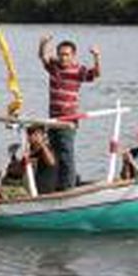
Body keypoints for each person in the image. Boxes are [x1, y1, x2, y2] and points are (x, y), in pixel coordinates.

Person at [38, 35, 101, 190]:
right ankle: (56, 185)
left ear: (73, 55)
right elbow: (42, 57)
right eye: (60, 54)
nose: (63, 57)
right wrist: (43, 44)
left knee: (67, 154)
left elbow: (95, 75)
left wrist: (96, 57)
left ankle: (68, 187)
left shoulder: (78, 70)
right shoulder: (54, 67)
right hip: (53, 119)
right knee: (54, 154)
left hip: (68, 120)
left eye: (66, 54)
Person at [7, 124, 58, 195]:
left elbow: (51, 162)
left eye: (36, 134)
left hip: (44, 191)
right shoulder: (28, 151)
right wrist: (18, 160)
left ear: (43, 135)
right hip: (30, 190)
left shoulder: (47, 149)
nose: (32, 136)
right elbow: (17, 171)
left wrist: (42, 144)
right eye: (30, 133)